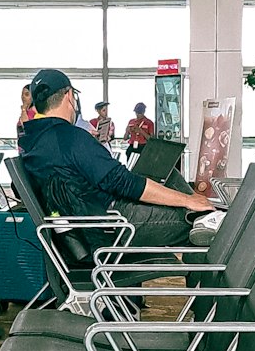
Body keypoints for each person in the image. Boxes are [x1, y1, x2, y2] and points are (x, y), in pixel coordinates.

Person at [20, 68, 206, 247]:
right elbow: (123, 183)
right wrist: (186, 200)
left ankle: (200, 210)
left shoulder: (33, 141)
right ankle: (203, 216)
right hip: (112, 225)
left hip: (87, 221)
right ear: (69, 96)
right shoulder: (69, 137)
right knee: (198, 225)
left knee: (169, 175)